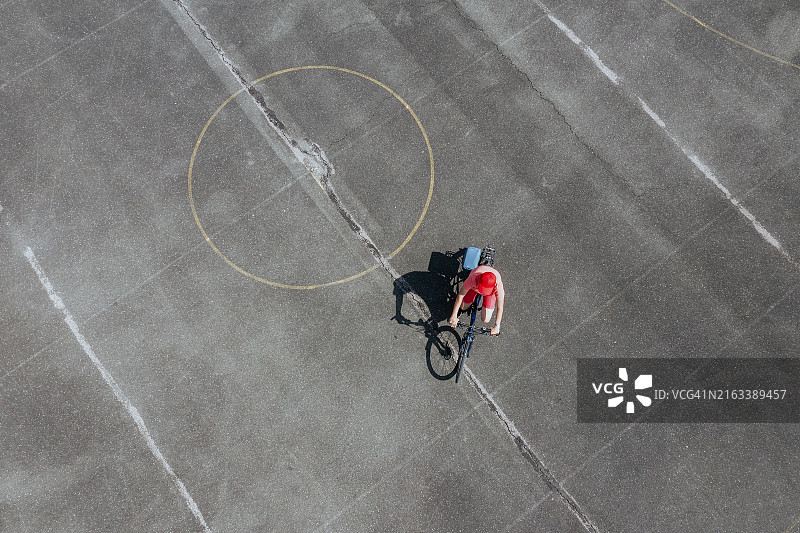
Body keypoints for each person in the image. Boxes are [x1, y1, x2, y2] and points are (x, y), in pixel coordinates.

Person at [448, 265, 504, 335]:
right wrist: (454, 315)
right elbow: (460, 295)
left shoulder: (498, 286)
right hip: (474, 288)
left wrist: (497, 326)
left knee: (486, 319)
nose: (483, 292)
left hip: (488, 292)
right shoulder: (473, 278)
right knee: (463, 307)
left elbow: (500, 307)